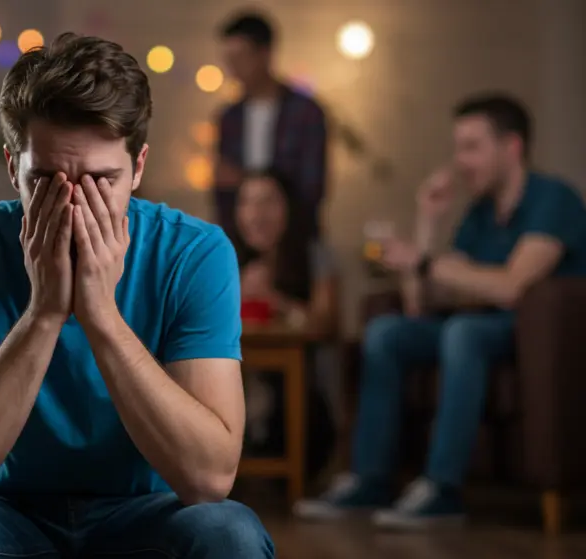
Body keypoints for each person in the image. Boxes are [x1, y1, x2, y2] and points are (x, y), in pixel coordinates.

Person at [0, 33, 274, 558]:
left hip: (145, 512)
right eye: (45, 180)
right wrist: (43, 313)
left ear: (138, 168)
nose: (72, 206)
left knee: (231, 532)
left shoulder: (194, 253)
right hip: (1, 512)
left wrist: (101, 315)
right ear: (10, 165)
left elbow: (208, 479)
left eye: (101, 180)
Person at [294, 94, 586, 529]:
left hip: (533, 337)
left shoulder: (553, 198)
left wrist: (432, 265)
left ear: (512, 147)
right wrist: (428, 220)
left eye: (471, 146)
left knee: (462, 332)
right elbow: (421, 303)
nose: (460, 161)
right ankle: (369, 479)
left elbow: (511, 288)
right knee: (387, 332)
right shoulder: (479, 212)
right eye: (458, 147)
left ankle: (443, 489)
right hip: (475, 327)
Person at [235, 171, 341, 472]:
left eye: (268, 202)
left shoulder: (314, 254)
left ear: (289, 209)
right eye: (247, 203)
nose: (257, 214)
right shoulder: (229, 258)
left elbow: (325, 325)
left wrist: (272, 298)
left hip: (307, 403)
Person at [215, 11, 327, 246]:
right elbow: (222, 184)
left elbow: (312, 186)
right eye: (229, 60)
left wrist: (244, 180)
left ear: (264, 53)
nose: (234, 69)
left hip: (296, 239)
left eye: (241, 58)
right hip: (242, 238)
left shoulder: (306, 112)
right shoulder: (230, 117)